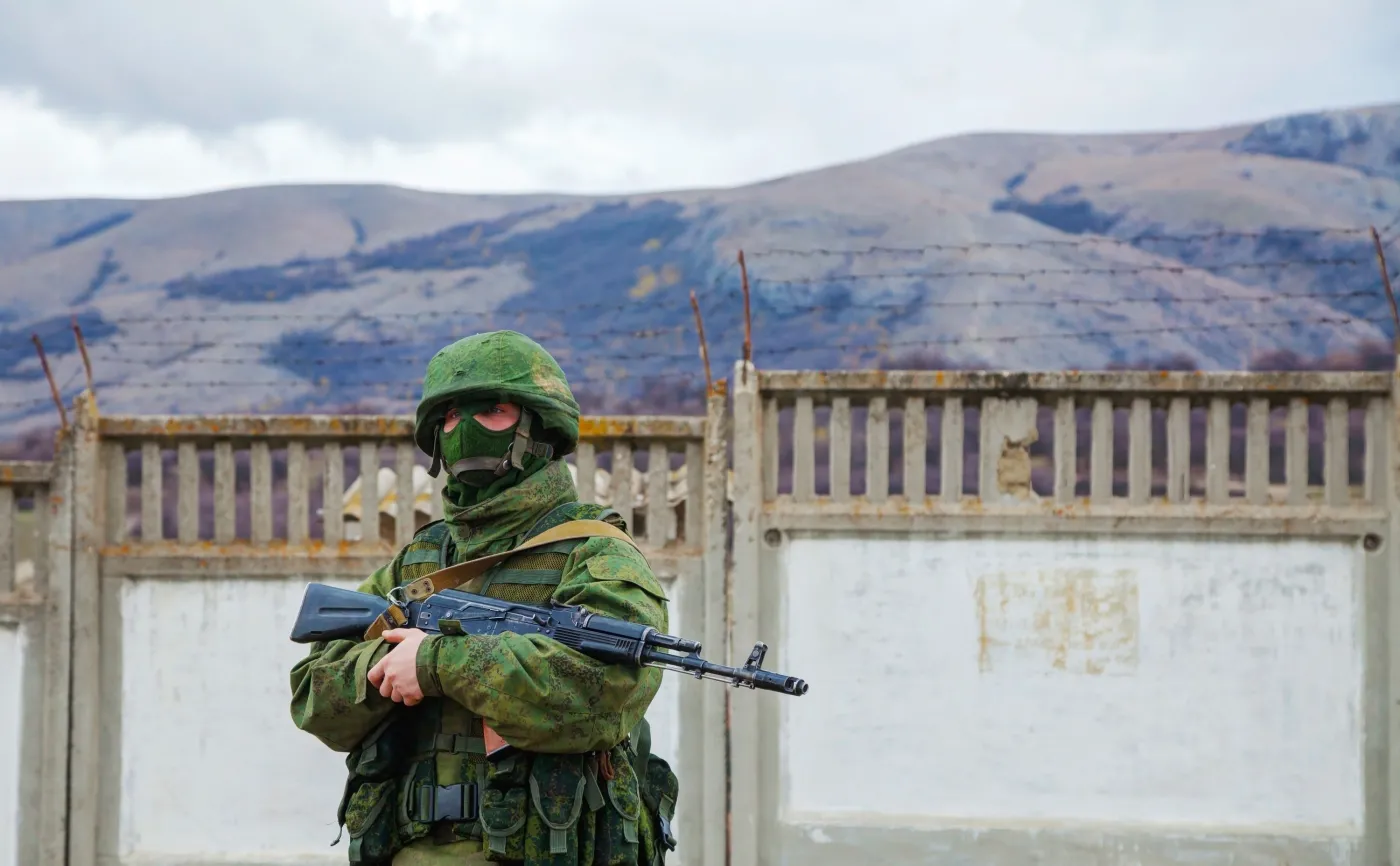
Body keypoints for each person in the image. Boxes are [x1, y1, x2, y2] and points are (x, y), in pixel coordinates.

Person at [289, 330, 679, 865]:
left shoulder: (595, 555)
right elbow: (313, 697)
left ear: (539, 426)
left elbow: (603, 693)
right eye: (449, 417)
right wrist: (388, 665)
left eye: (491, 411)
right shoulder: (420, 562)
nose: (464, 430)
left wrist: (436, 662)